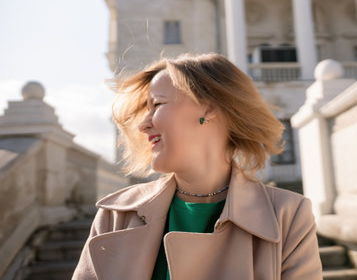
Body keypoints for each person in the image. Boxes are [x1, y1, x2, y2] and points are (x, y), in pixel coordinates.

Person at [73, 53, 322, 279]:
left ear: (209, 108)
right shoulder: (115, 215)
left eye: (157, 104)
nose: (143, 125)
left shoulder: (288, 216)